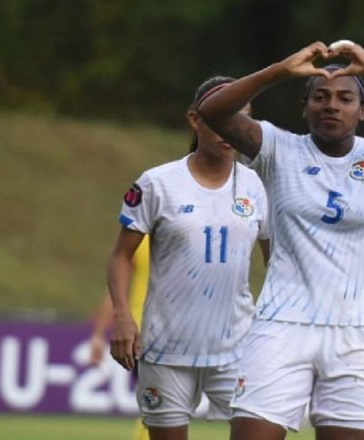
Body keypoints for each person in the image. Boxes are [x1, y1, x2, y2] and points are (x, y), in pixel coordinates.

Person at [197, 41, 364, 440]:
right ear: (305, 107)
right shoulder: (277, 148)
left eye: (345, 97)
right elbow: (213, 111)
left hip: (360, 330)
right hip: (283, 323)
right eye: (320, 96)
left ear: (362, 111)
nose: (331, 105)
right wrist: (280, 70)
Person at [107, 76, 269, 440]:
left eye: (241, 119)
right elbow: (121, 256)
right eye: (221, 117)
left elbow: (277, 265)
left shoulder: (257, 186)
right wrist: (122, 316)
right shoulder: (157, 184)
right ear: (196, 119)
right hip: (166, 349)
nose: (231, 128)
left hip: (239, 348)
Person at [90, 235, 150, 440]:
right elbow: (116, 289)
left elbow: (116, 290)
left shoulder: (141, 238)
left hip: (142, 330)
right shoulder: (142, 238)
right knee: (159, 405)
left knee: (156, 406)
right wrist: (99, 334)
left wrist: (98, 335)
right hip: (143, 333)